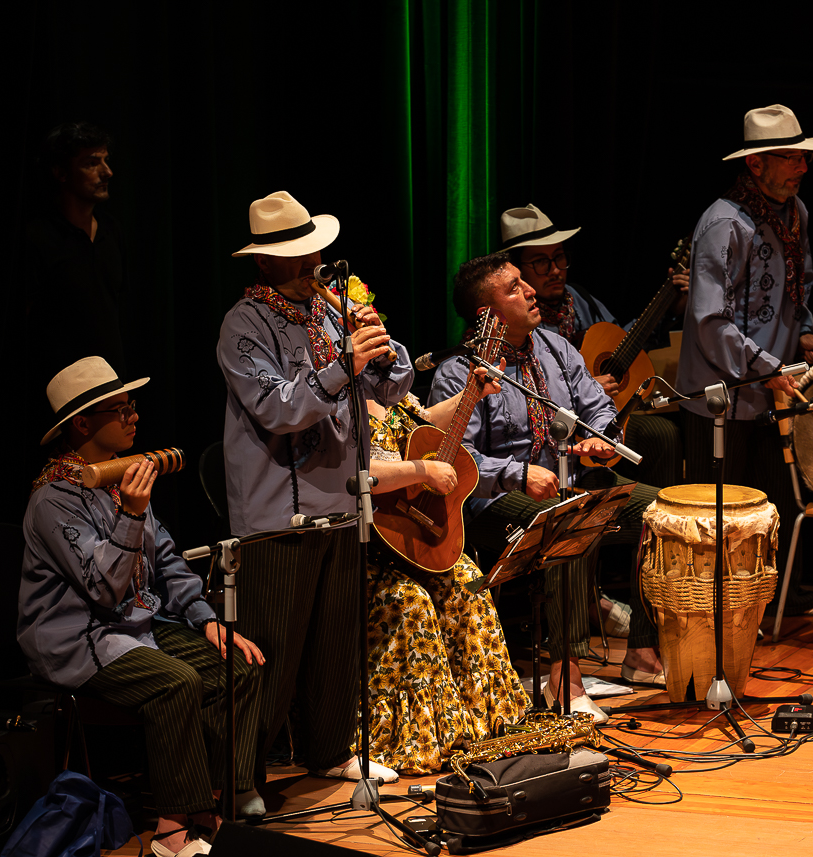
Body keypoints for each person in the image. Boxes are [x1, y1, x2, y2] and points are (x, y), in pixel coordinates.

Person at [19, 357, 265, 857]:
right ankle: (171, 828)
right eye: (121, 409)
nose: (134, 417)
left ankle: (212, 801)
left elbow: (167, 560)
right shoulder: (52, 500)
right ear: (83, 425)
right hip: (78, 640)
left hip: (136, 625)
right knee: (177, 684)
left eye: (133, 407)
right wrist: (130, 515)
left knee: (237, 665)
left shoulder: (122, 479)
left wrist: (206, 620)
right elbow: (104, 591)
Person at [217, 191, 413, 784]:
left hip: (343, 504)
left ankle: (329, 753)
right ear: (263, 263)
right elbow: (278, 408)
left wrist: (379, 344)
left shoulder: (329, 313)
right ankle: (241, 777)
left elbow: (391, 390)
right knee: (273, 655)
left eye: (315, 253)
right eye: (297, 258)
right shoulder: (242, 325)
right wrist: (342, 365)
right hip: (279, 516)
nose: (311, 266)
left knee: (335, 645)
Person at [430, 252, 667, 724]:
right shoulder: (458, 374)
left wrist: (602, 439)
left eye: (525, 283)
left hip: (570, 481)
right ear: (487, 314)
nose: (532, 291)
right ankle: (566, 677)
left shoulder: (556, 347)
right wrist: (519, 474)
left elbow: (597, 405)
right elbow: (455, 457)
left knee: (664, 512)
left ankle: (642, 652)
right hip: (495, 500)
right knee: (571, 519)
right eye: (515, 287)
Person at [676, 103, 813, 616]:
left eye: (803, 158)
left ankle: (775, 598)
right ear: (755, 164)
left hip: (774, 385)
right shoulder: (723, 225)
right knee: (718, 511)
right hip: (719, 395)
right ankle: (712, 613)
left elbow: (799, 288)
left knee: (774, 502)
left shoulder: (796, 213)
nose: (802, 169)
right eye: (791, 159)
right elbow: (709, 320)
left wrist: (805, 336)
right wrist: (768, 366)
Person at [364, 389, 529, 773]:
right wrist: (423, 472)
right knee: (412, 602)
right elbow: (356, 473)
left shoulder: (396, 394)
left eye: (379, 324)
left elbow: (429, 421)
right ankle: (413, 736)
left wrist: (473, 391)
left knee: (470, 582)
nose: (376, 328)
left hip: (412, 539)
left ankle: (481, 722)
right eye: (365, 323)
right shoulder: (342, 401)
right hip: (368, 549)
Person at [23, 122, 128, 381]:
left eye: (105, 160)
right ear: (61, 172)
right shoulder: (38, 238)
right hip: (60, 390)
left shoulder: (111, 231)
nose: (107, 172)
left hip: (109, 384)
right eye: (92, 163)